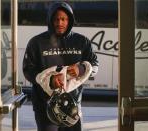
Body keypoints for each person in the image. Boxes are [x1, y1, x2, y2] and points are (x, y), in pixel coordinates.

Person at [23, 2, 99, 131]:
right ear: (50, 20)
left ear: (70, 20)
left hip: (72, 106)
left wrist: (80, 69)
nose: (60, 23)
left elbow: (95, 65)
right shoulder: (36, 42)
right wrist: (50, 81)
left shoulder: (82, 41)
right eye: (56, 19)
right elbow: (28, 70)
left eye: (64, 19)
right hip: (44, 108)